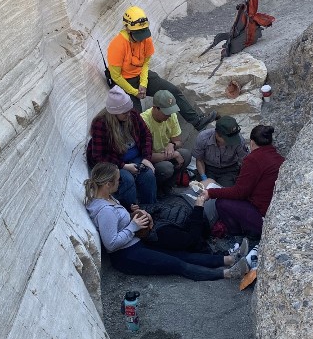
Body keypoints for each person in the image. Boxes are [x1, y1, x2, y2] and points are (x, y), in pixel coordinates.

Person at [84, 163, 248, 280]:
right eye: (118, 180)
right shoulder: (104, 210)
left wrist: (135, 215)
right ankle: (228, 273)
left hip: (135, 244)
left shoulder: (108, 198)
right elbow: (111, 244)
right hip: (127, 256)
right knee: (178, 265)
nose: (121, 182)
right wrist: (133, 227)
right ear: (107, 184)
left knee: (183, 255)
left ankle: (229, 260)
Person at [107, 5, 217, 130]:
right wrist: (134, 92)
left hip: (142, 75)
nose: (142, 38)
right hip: (125, 81)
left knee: (173, 91)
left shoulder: (145, 39)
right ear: (127, 29)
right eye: (138, 33)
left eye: (143, 32)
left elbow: (145, 64)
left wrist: (143, 83)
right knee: (135, 117)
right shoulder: (117, 45)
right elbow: (115, 76)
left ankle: (197, 121)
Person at [202, 124, 284, 237]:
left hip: (262, 217)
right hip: (274, 212)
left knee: (221, 203)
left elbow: (240, 192)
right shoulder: (279, 158)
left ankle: (236, 236)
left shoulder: (253, 159)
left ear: (251, 142)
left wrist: (210, 193)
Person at [87, 86, 157, 208]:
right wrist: (123, 166)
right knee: (126, 180)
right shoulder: (100, 123)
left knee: (148, 175)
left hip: (135, 156)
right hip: (113, 162)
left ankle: (150, 208)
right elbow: (99, 156)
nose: (128, 115)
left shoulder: (132, 114)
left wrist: (146, 158)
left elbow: (146, 135)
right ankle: (131, 211)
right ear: (114, 112)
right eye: (125, 113)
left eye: (129, 111)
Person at [140, 89, 192, 191]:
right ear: (155, 108)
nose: (169, 115)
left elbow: (178, 141)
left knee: (186, 154)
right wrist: (172, 155)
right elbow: (146, 156)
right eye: (166, 113)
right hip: (151, 160)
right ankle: (156, 189)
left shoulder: (171, 115)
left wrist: (172, 144)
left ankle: (169, 186)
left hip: (166, 154)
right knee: (166, 168)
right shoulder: (144, 121)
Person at [193, 115, 248, 187]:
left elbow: (245, 162)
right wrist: (204, 177)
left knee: (225, 192)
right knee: (204, 189)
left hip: (229, 169)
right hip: (208, 168)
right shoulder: (203, 138)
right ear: (217, 134)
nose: (231, 142)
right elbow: (199, 160)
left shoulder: (239, 141)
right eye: (228, 139)